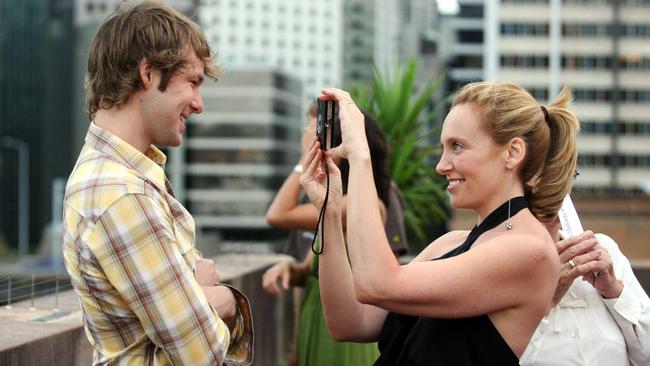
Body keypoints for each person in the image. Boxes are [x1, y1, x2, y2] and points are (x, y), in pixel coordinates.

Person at [299, 81, 580, 365]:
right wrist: (330, 212)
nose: (441, 165)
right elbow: (350, 322)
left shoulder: (529, 251)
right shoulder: (451, 243)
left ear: (513, 152)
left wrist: (359, 155)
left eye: (457, 147)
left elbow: (376, 283)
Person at [61, 2, 253, 365]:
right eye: (192, 82)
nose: (199, 105)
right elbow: (203, 354)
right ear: (148, 73)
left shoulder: (119, 177)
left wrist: (192, 293)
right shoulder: (122, 195)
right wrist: (224, 300)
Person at [262, 107, 392, 366]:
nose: (304, 135)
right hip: (316, 326)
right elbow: (312, 270)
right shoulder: (334, 208)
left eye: (310, 130)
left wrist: (306, 159)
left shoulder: (355, 205)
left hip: (342, 339)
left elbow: (278, 214)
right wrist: (292, 269)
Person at [520, 220, 650, 365]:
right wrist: (545, 299)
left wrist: (614, 290)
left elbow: (646, 356)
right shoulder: (501, 266)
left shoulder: (601, 248)